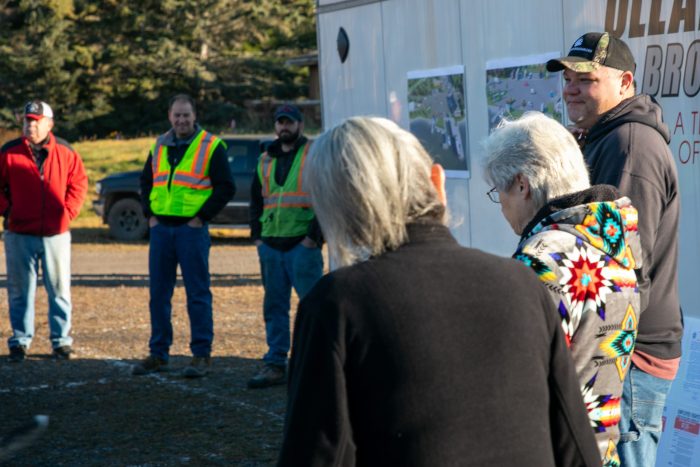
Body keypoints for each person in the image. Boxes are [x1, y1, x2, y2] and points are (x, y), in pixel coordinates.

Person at [278, 116, 601, 466]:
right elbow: (576, 446)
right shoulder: (521, 283)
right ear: (437, 181)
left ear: (337, 210)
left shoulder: (337, 304)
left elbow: (316, 453)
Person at [547, 32, 682, 466]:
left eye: (586, 79)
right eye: (567, 77)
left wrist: (593, 351)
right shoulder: (604, 137)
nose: (571, 87)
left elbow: (621, 267)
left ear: (625, 82)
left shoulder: (628, 147)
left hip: (628, 351)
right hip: (624, 347)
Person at [484, 111, 643, 465]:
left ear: (522, 184)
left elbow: (517, 384)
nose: (502, 207)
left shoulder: (542, 262)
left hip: (556, 453)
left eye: (499, 191)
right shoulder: (615, 244)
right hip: (605, 452)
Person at [133, 94, 235, 378]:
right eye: (177, 115)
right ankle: (158, 354)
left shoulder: (210, 146)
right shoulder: (160, 144)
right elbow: (145, 180)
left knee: (197, 294)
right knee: (159, 295)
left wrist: (200, 218)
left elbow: (225, 187)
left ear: (194, 115)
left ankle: (201, 355)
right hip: (161, 230)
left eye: (186, 115)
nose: (181, 120)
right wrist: (149, 215)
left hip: (191, 231)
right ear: (169, 116)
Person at [0, 100, 87, 362]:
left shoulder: (66, 151)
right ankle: (20, 341)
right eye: (27, 120)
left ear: (49, 123)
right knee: (19, 290)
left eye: (36, 121)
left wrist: (67, 213)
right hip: (19, 233)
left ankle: (61, 341)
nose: (30, 125)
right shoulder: (8, 152)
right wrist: (8, 211)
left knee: (59, 290)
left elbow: (78, 184)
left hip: (56, 234)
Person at [247, 104, 323, 389]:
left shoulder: (313, 155)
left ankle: (317, 363)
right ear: (275, 127)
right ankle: (275, 363)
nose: (284, 127)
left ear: (300, 125)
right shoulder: (265, 159)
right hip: (271, 246)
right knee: (275, 307)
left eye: (289, 122)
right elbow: (256, 201)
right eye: (280, 123)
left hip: (302, 246)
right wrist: (257, 237)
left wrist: (313, 239)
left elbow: (325, 198)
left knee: (314, 307)